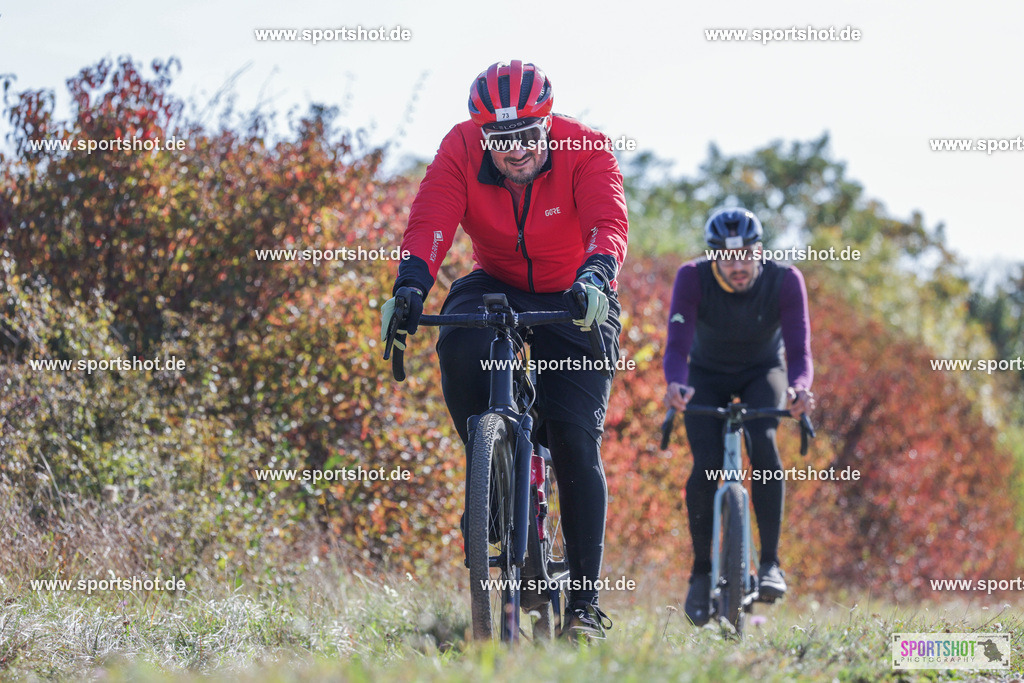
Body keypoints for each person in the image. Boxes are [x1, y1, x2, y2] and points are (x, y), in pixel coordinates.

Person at [380, 60, 628, 639]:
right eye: (500, 139)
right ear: (481, 134)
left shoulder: (586, 148)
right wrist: (411, 286)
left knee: (573, 440)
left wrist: (597, 276)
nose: (513, 151)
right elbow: (431, 219)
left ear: (548, 125)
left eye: (526, 137)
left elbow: (607, 223)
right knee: (459, 340)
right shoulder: (461, 148)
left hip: (576, 291)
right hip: (495, 279)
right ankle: (490, 472)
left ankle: (586, 608)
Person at [663, 207, 815, 626]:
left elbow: (800, 353)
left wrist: (801, 387)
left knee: (763, 444)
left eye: (747, 255)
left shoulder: (785, 280)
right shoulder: (691, 277)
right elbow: (676, 347)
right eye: (727, 258)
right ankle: (700, 573)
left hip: (762, 371)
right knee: (706, 467)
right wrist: (675, 384)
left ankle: (769, 564)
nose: (738, 265)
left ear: (760, 251)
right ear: (712, 257)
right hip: (704, 374)